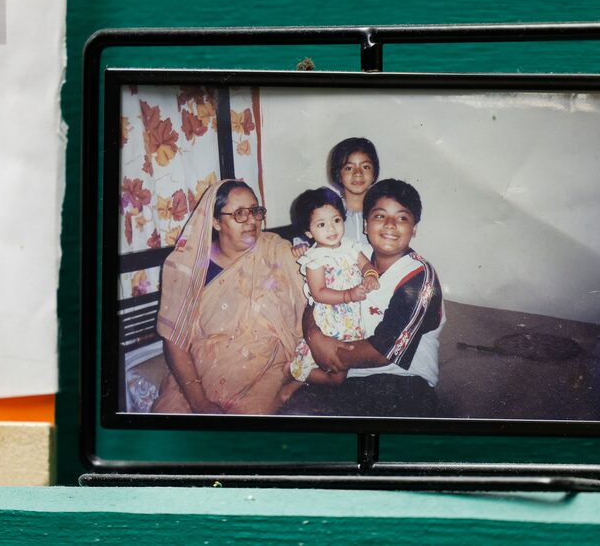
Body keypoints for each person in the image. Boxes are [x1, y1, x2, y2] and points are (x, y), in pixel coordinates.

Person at [279, 179, 445, 418]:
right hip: (344, 377)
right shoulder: (349, 255)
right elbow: (316, 299)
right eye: (380, 216)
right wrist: (315, 337)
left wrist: (326, 353)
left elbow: (381, 352)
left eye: (401, 218)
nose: (390, 225)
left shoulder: (419, 277)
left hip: (402, 383)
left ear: (414, 228)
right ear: (366, 225)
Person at [152, 180, 306, 415]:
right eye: (239, 214)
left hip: (265, 370)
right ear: (215, 222)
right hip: (200, 374)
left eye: (255, 211)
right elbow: (175, 341)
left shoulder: (276, 251)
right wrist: (199, 402)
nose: (252, 220)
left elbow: (314, 300)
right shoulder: (187, 268)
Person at [282, 187, 380, 397]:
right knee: (336, 376)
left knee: (341, 371)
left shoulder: (351, 246)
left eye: (336, 220)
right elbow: (318, 293)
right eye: (321, 224)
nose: (331, 229)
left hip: (352, 319)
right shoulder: (315, 258)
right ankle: (293, 372)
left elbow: (366, 265)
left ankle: (299, 379)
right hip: (330, 320)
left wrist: (371, 275)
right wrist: (349, 295)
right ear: (309, 232)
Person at [327, 137, 380, 246]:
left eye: (365, 167)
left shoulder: (382, 213)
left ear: (374, 173)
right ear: (339, 175)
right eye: (349, 168)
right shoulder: (327, 213)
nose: (358, 173)